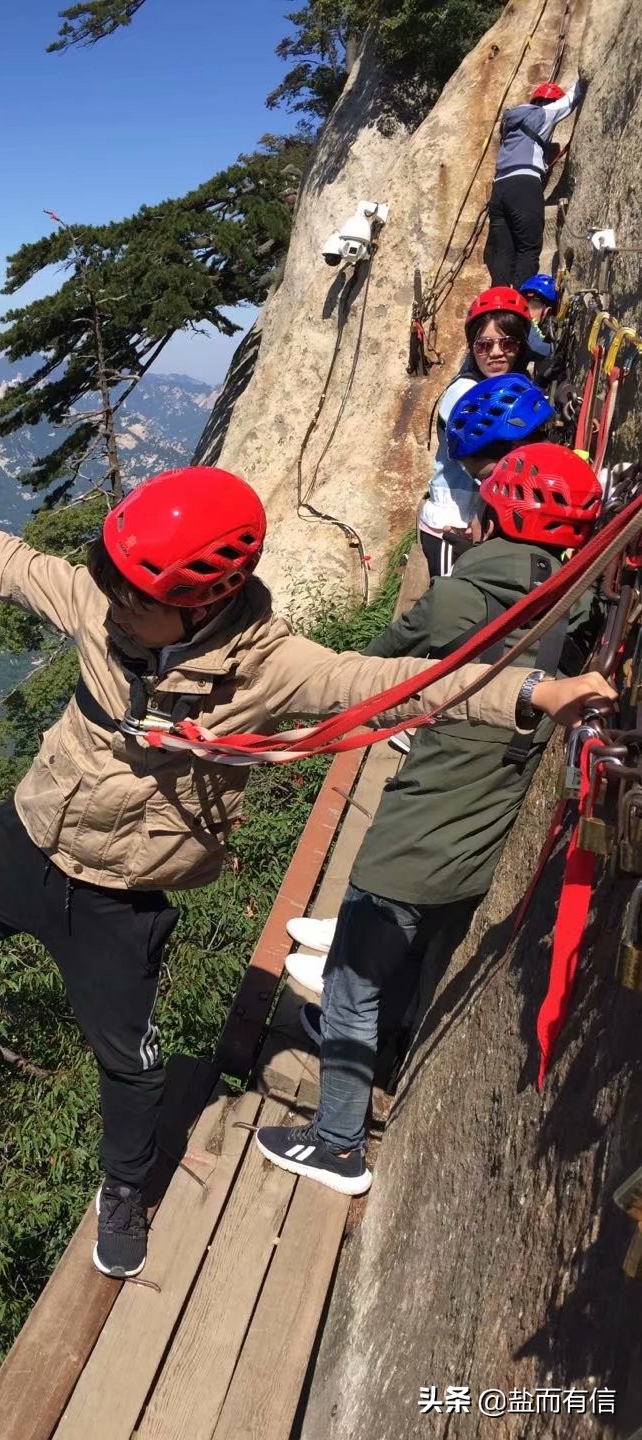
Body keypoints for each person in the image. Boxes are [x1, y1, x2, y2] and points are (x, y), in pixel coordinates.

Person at [0, 463, 613, 1276]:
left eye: (138, 599)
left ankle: (124, 1189)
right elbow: (2, 560)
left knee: (129, 1062)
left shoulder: (271, 670)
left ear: (204, 601)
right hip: (25, 836)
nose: (115, 609)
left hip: (121, 894)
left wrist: (531, 695)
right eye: (114, 589)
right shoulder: (102, 604)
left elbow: (388, 684)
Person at [258, 445, 605, 1195]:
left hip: (422, 824)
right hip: (485, 835)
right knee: (412, 963)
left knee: (352, 978)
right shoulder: (575, 600)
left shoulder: (457, 599)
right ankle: (380, 1062)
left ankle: (338, 1143)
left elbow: (363, 674)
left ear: (488, 518)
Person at [284, 373, 555, 992]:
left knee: (410, 821)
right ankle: (352, 928)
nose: (483, 489)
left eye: (486, 474)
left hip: (476, 710)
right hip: (509, 702)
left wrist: (341, 688)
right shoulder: (551, 498)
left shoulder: (473, 577)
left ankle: (351, 965)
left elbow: (392, 650)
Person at [417, 288, 533, 580]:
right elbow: (482, 465)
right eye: (484, 345)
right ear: (473, 348)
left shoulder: (514, 387)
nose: (495, 353)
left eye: (507, 343)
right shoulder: (466, 393)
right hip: (453, 524)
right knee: (449, 612)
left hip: (486, 520)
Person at [485, 77, 586, 288]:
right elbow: (569, 101)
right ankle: (522, 307)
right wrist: (584, 73)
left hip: (499, 188)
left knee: (504, 252)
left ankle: (499, 309)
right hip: (524, 184)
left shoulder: (511, 121)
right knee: (528, 249)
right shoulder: (542, 114)